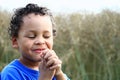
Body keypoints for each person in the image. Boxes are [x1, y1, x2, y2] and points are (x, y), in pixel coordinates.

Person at [1, 3, 70, 80]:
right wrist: (45, 77)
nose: (40, 41)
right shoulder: (11, 73)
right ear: (15, 41)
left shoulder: (52, 70)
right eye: (31, 36)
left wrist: (59, 74)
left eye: (46, 36)